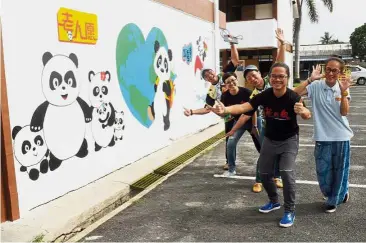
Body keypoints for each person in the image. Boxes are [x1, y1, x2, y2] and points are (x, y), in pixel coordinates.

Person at [210, 62, 312, 228]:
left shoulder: (293, 97)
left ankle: (289, 210)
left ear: (287, 78)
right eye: (274, 76)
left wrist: (303, 112)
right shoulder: (264, 95)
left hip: (288, 140)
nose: (277, 79)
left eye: (281, 76)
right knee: (264, 173)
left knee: (286, 171)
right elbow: (244, 107)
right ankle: (274, 201)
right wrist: (226, 110)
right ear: (269, 77)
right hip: (270, 140)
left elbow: (307, 114)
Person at [293, 57, 354, 213]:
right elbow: (293, 93)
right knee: (323, 172)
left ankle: (333, 200)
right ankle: (333, 193)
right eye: (328, 69)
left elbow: (344, 112)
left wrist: (344, 90)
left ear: (340, 72)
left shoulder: (343, 87)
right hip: (322, 137)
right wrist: (309, 79)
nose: (330, 73)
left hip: (341, 137)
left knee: (340, 171)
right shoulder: (315, 86)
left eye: (334, 70)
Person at [184, 40, 241, 170]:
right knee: (230, 139)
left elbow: (235, 60)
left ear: (213, 72)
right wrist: (192, 112)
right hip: (229, 115)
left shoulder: (224, 74)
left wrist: (232, 44)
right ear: (206, 80)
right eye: (206, 76)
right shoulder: (211, 91)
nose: (209, 76)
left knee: (256, 134)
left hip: (242, 108)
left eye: (209, 72)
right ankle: (230, 162)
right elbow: (207, 109)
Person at [241, 28, 286, 193]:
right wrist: (254, 127)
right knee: (265, 153)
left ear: (260, 74)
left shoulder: (270, 80)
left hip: (280, 122)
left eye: (254, 75)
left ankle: (277, 176)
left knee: (279, 152)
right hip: (265, 125)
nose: (252, 79)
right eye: (249, 78)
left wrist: (281, 43)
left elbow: (279, 62)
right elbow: (251, 111)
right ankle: (259, 180)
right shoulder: (254, 93)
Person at [219, 72, 261, 177]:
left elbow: (254, 111)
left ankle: (270, 168)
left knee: (261, 144)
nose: (231, 83)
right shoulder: (225, 96)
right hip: (239, 122)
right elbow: (226, 114)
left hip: (253, 120)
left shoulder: (247, 92)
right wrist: (219, 113)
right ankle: (231, 169)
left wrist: (255, 126)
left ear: (237, 80)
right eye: (228, 82)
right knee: (230, 143)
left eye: (233, 80)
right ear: (225, 85)